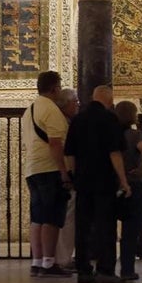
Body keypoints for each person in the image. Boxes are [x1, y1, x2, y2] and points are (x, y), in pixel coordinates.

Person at [64, 85, 131, 283]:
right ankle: (105, 270)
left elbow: (69, 153)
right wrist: (124, 181)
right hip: (104, 181)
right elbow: (115, 153)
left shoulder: (78, 119)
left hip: (83, 181)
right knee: (106, 226)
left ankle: (84, 269)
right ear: (109, 100)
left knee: (83, 226)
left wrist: (73, 176)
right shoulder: (110, 119)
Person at [22, 71, 73, 277]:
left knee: (38, 218)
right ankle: (49, 262)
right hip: (50, 169)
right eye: (59, 86)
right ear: (54, 88)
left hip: (32, 169)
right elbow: (55, 144)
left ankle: (37, 262)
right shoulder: (52, 110)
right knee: (52, 217)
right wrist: (64, 171)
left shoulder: (30, 109)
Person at [116, 100, 142, 280]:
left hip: (114, 184)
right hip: (133, 184)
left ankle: (104, 266)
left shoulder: (112, 134)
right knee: (130, 230)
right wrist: (140, 168)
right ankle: (127, 269)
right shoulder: (136, 135)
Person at [54, 88, 80, 270]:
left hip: (59, 171)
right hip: (64, 173)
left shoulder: (66, 121)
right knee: (67, 216)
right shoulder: (61, 122)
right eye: (75, 101)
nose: (78, 104)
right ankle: (62, 258)